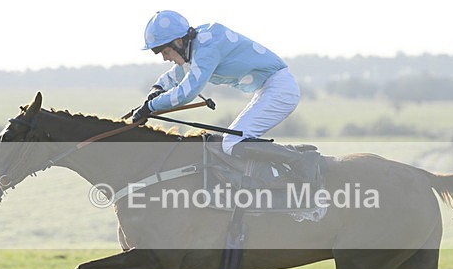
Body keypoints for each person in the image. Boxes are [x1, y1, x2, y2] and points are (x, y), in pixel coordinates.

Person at [132, 10, 316, 177]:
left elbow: (186, 93)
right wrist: (157, 90)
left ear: (179, 42)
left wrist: (150, 106)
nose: (165, 58)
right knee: (234, 140)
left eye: (166, 51)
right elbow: (177, 73)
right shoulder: (196, 46)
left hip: (280, 89)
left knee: (232, 143)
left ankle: (299, 161)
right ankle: (295, 155)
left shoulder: (207, 47)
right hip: (270, 88)